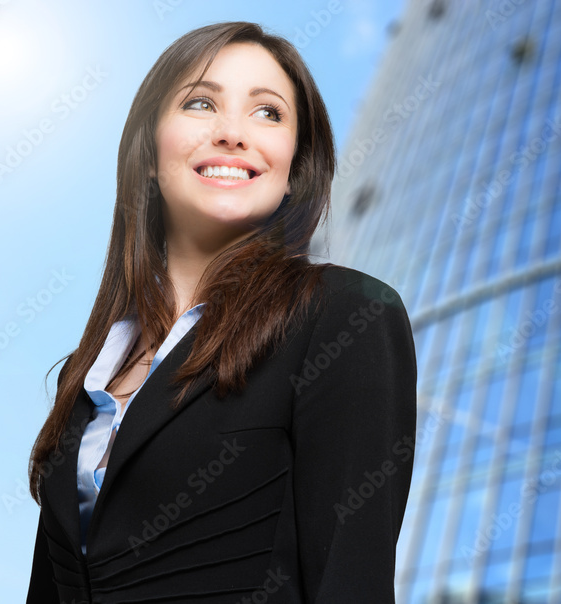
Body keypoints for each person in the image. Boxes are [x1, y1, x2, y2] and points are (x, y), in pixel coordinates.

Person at [26, 21, 417, 603]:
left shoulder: (344, 317)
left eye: (269, 113)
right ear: (150, 155)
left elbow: (349, 579)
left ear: (293, 167)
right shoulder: (86, 373)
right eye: (202, 102)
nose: (234, 133)